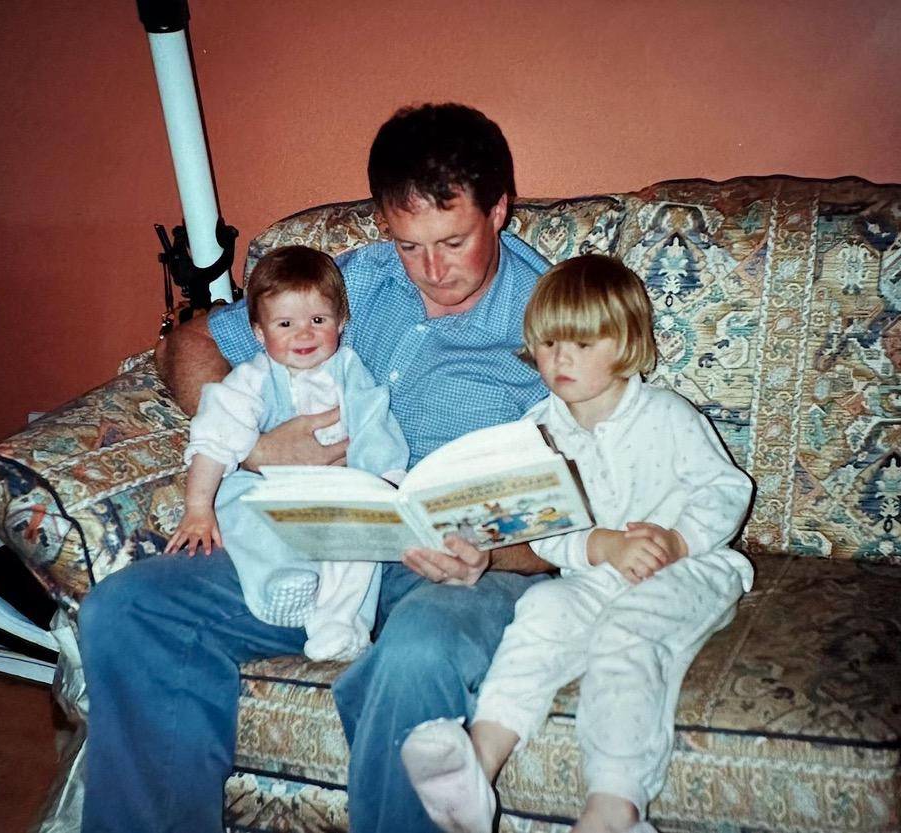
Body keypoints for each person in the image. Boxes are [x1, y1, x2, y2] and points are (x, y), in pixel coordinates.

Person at [78, 102, 555, 833]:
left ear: (499, 209)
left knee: (416, 657)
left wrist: (495, 550)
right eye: (407, 245)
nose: (431, 271)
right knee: (127, 609)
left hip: (458, 570)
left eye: (452, 241)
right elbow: (193, 342)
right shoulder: (356, 281)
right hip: (314, 543)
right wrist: (257, 447)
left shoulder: (553, 314)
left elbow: (596, 495)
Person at [400, 255, 754, 833]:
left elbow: (725, 489)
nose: (560, 359)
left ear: (626, 345)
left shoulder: (666, 416)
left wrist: (678, 539)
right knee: (540, 608)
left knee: (626, 635)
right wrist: (596, 546)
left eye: (583, 344)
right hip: (595, 576)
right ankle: (476, 764)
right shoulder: (539, 430)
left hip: (691, 567)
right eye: (548, 343)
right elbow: (545, 528)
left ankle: (615, 807)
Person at [163, 245, 409, 662]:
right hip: (270, 488)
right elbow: (216, 438)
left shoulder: (350, 370)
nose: (304, 334)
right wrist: (198, 507)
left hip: (335, 491)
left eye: (318, 320)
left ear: (341, 322)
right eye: (285, 323)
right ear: (259, 333)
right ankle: (281, 579)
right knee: (240, 507)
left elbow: (373, 426)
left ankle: (339, 628)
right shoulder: (253, 378)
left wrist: (386, 483)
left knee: (360, 540)